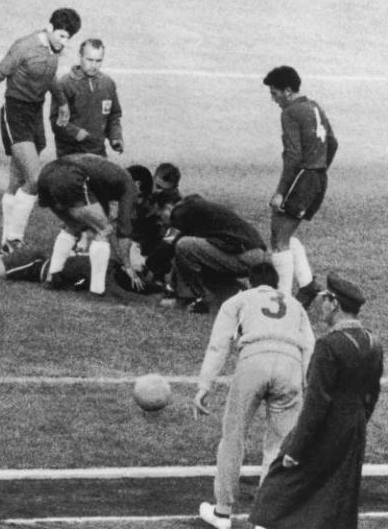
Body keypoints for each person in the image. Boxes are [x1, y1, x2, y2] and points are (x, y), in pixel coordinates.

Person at [250, 273, 383, 529]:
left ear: (334, 303)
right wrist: (355, 422)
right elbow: (371, 395)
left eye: (324, 300)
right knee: (335, 496)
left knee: (278, 487)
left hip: (324, 429)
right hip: (353, 430)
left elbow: (316, 403)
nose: (320, 306)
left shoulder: (329, 345)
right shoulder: (373, 343)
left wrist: (295, 448)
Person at [191, 262, 315, 529]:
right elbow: (309, 347)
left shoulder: (239, 300)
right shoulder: (295, 305)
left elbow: (218, 345)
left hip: (253, 360)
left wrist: (204, 386)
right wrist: (307, 386)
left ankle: (223, 512)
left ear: (250, 282)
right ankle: (266, 519)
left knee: (233, 436)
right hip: (290, 364)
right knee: (280, 445)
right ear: (277, 283)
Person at [0, 8, 81, 253]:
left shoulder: (54, 51)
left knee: (17, 181)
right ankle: (14, 239)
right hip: (15, 114)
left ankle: (5, 244)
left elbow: (48, 75)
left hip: (35, 114)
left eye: (68, 38)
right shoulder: (24, 47)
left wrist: (62, 101)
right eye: (62, 35)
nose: (65, 42)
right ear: (50, 28)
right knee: (35, 179)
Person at [263, 66, 337, 305]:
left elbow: (293, 156)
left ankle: (281, 300)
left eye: (274, 93)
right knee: (283, 233)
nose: (272, 98)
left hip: (302, 178)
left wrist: (280, 192)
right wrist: (320, 167)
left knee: (279, 238)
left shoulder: (290, 112)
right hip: (318, 178)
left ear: (287, 90)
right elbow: (333, 142)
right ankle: (306, 286)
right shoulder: (314, 106)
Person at [0, 226, 159, 295]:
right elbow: (113, 292)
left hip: (33, 260)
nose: (141, 267)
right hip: (32, 264)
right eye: (143, 262)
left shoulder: (108, 263)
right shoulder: (109, 263)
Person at [36, 154, 140, 295]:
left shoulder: (106, 178)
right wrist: (128, 266)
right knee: (105, 230)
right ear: (138, 184)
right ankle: (97, 290)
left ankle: (52, 277)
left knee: (74, 225)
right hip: (69, 175)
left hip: (45, 173)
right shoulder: (130, 185)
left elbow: (98, 212)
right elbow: (124, 230)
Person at [155, 192, 267, 314]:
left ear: (167, 208)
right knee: (194, 256)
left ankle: (190, 300)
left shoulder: (181, 211)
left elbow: (168, 244)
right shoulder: (194, 207)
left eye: (160, 215)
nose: (161, 221)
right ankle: (238, 294)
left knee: (184, 245)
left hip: (246, 254)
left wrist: (148, 266)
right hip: (253, 254)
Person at [50, 38, 123, 158]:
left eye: (98, 61)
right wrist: (75, 132)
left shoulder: (108, 84)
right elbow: (55, 121)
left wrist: (116, 138)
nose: (94, 65)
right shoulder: (65, 84)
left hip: (98, 153)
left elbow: (114, 116)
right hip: (70, 153)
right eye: (90, 60)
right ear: (80, 56)